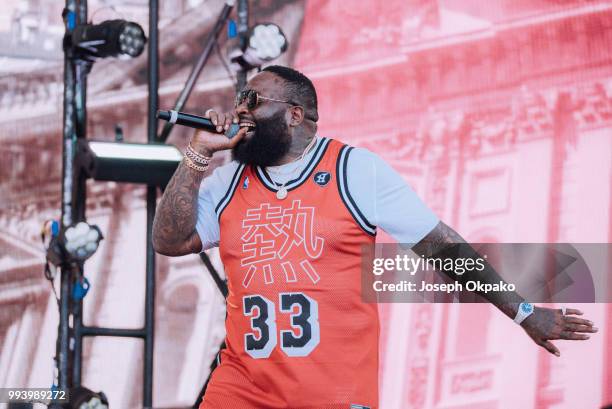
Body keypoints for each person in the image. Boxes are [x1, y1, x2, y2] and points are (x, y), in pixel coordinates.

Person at [152, 65, 597, 409]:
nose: (240, 110)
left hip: (332, 390)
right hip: (242, 388)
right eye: (239, 99)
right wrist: (196, 155)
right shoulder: (228, 180)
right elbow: (169, 241)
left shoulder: (354, 170)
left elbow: (445, 249)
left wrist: (522, 312)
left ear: (294, 115)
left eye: (253, 99)